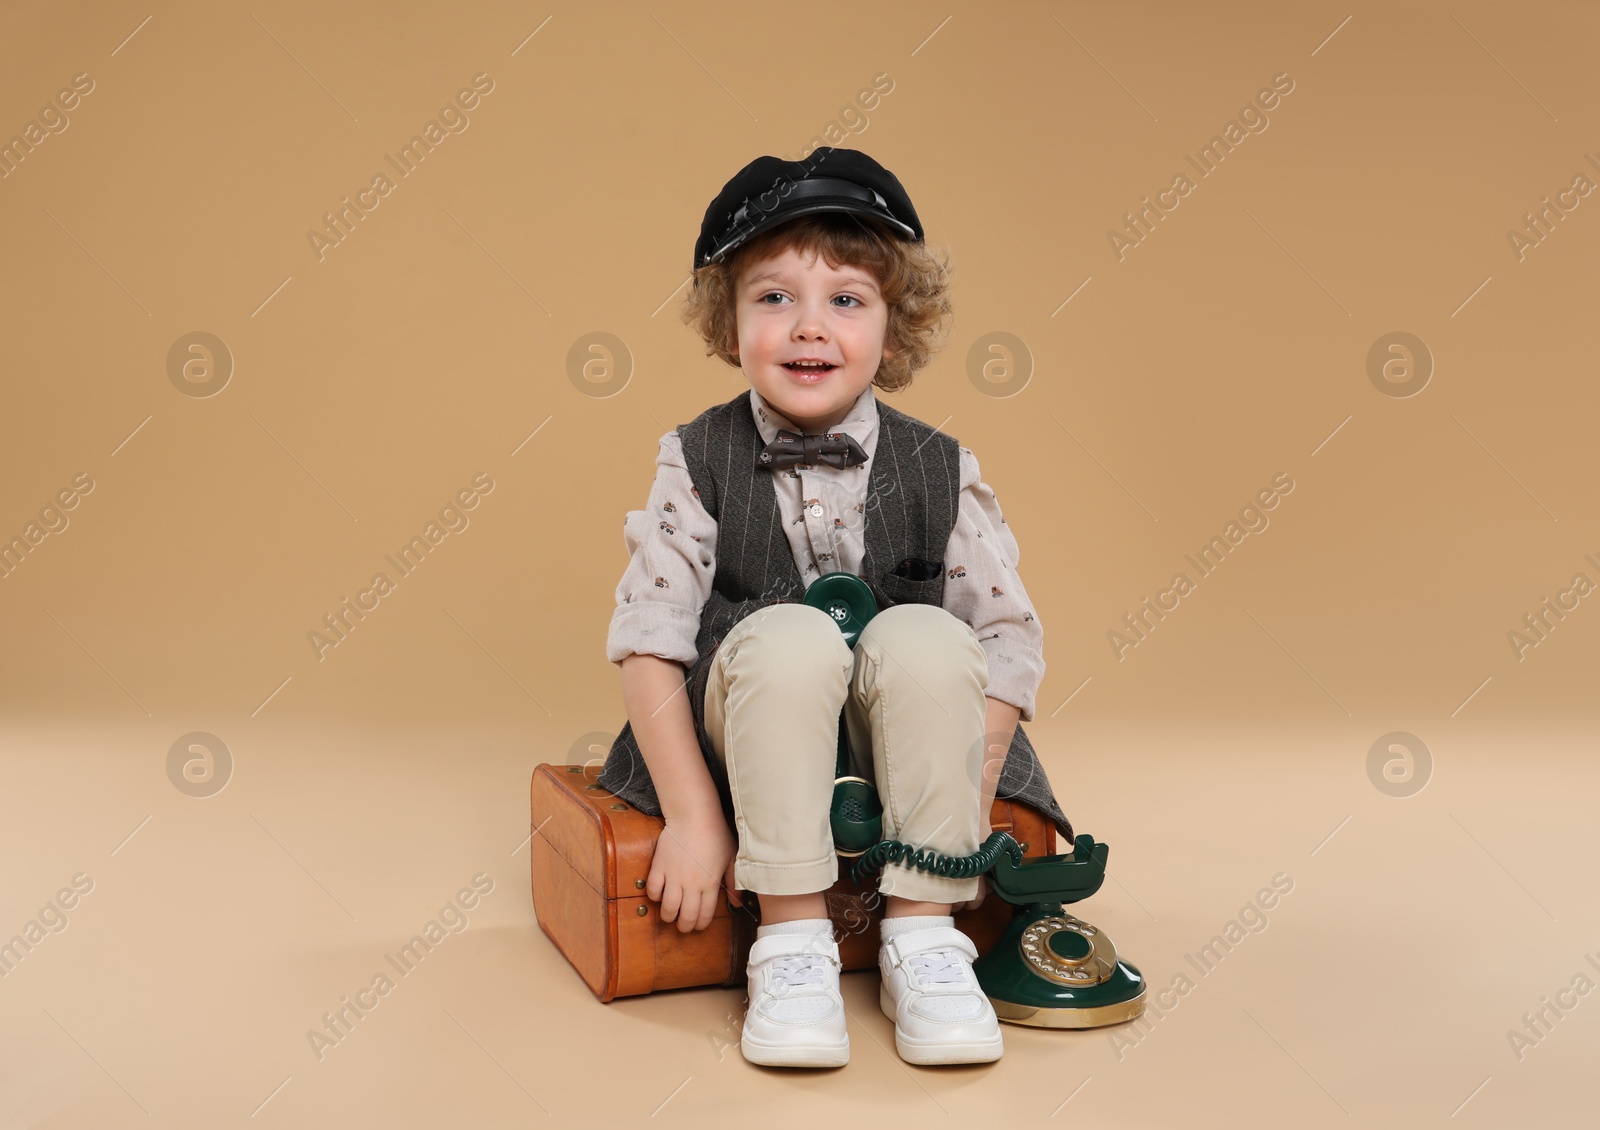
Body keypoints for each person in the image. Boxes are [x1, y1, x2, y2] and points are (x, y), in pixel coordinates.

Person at [597, 147, 1071, 1068]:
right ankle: (792, 941)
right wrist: (695, 819)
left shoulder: (942, 464)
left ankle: (924, 936)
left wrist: (970, 808)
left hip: (911, 741)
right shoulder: (695, 457)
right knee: (784, 639)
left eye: (846, 300)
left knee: (932, 635)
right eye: (774, 298)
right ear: (728, 325)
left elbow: (1007, 637)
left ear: (893, 334)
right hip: (752, 730)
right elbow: (651, 640)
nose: (808, 327)